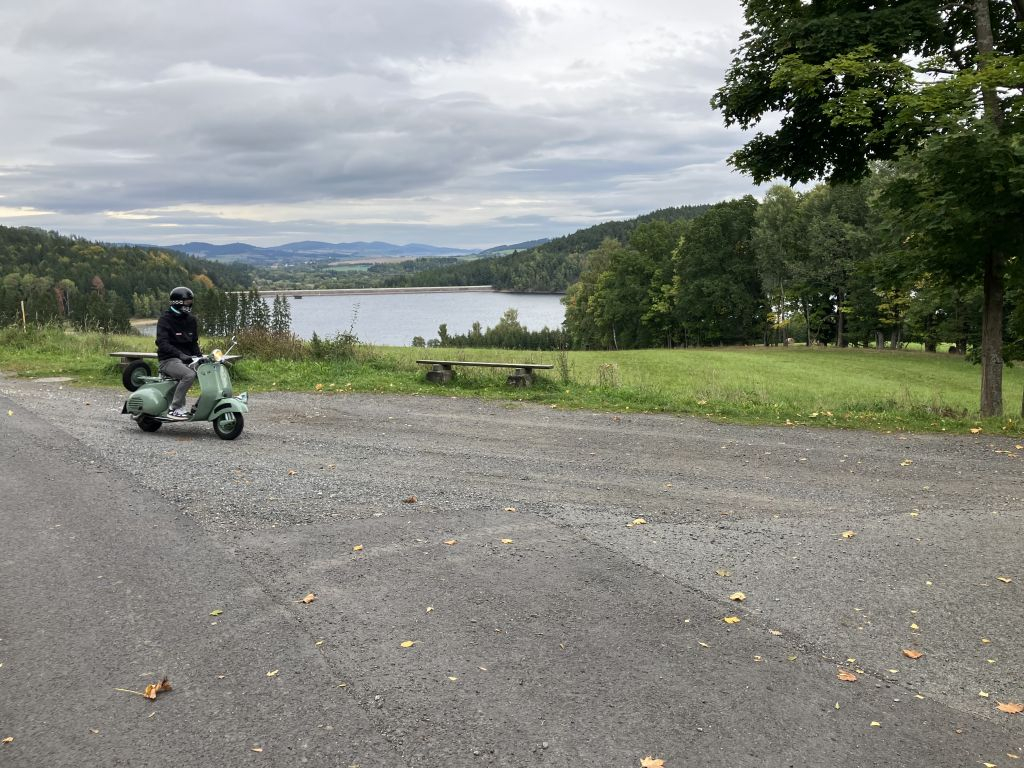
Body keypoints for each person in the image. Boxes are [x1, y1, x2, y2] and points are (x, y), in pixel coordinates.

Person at [156, 286, 202, 419]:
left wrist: (200, 358)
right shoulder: (165, 320)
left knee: (209, 371)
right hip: (168, 360)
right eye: (187, 302)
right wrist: (180, 354)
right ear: (177, 302)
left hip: (188, 359)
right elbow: (162, 343)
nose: (189, 304)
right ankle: (175, 408)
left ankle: (199, 406)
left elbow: (193, 343)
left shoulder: (191, 320)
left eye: (191, 301)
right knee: (189, 375)